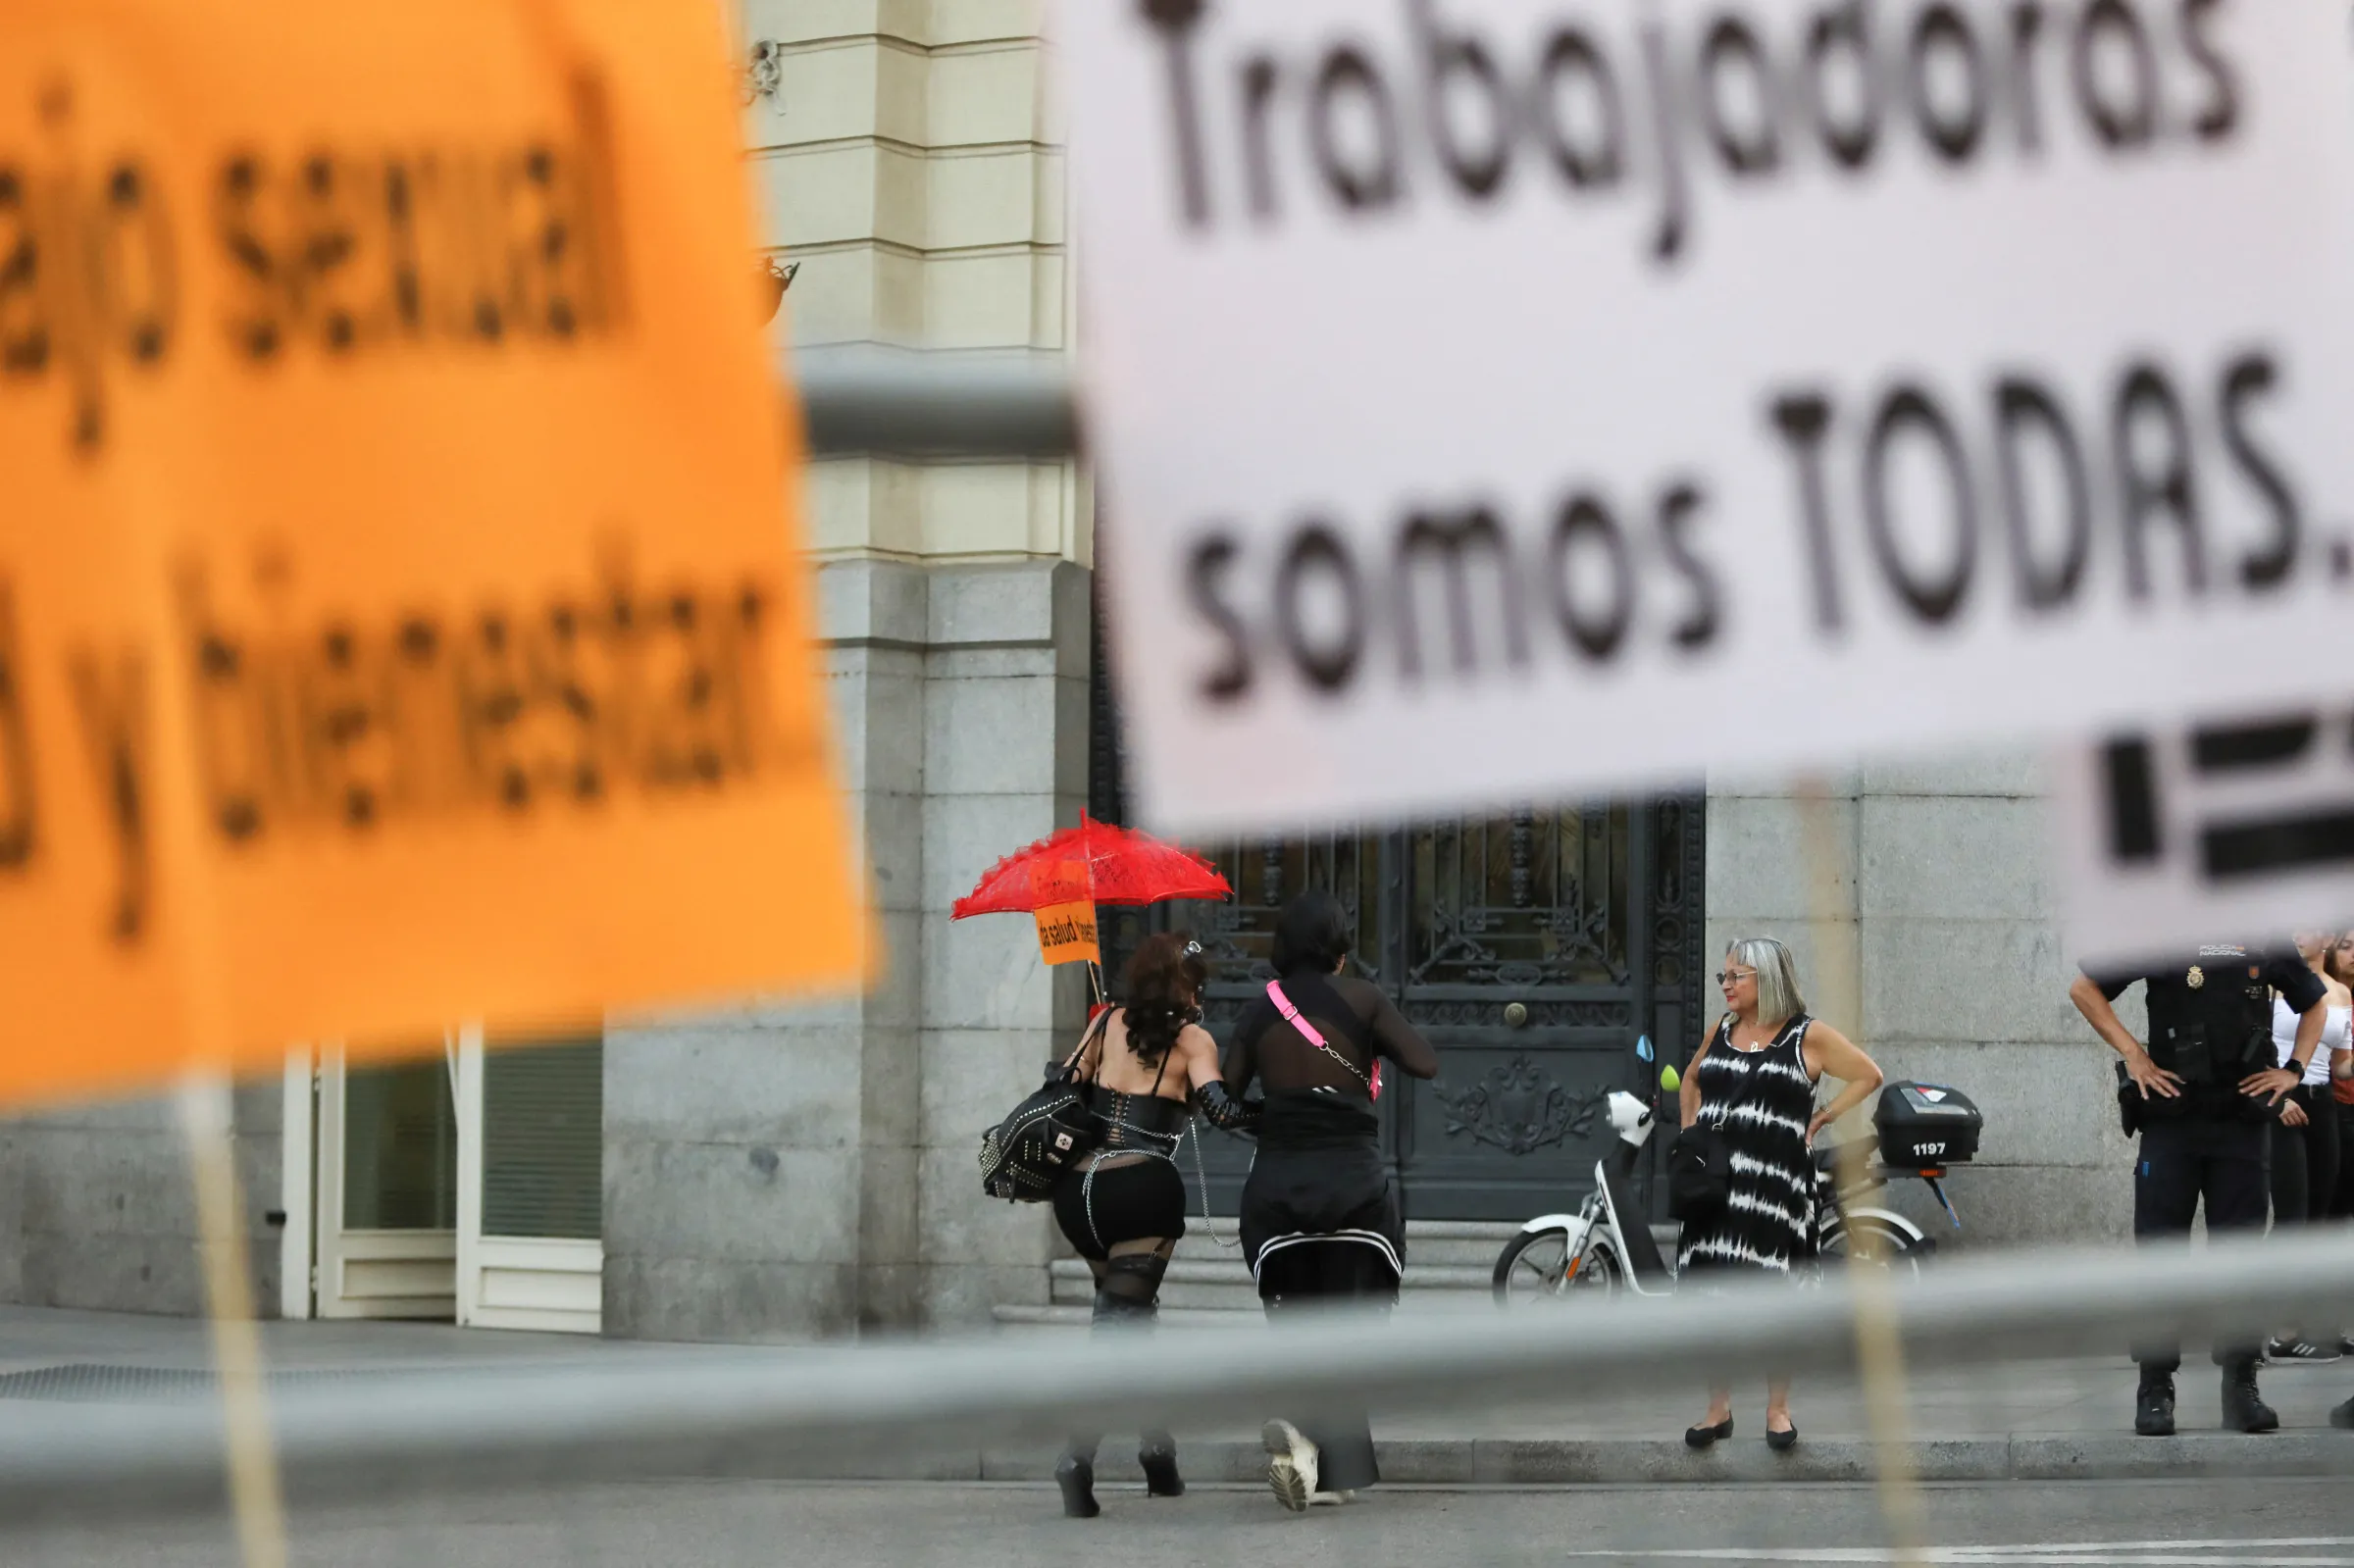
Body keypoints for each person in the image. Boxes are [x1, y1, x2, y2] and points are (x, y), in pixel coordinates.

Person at [1222, 889, 1438, 1511]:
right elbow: (1425, 1062)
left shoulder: (1261, 1010)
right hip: (1353, 1195)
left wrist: (1283, 1107)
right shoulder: (1365, 998)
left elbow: (1229, 1099)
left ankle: (1309, 1446)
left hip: (1279, 1194)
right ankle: (1319, 1451)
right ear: (1340, 949)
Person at [2069, 941, 2327, 1437]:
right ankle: (2156, 1388)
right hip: (2173, 1118)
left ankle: (2241, 1384)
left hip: (2242, 1122)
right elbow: (2085, 989)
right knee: (2162, 1252)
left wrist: (2293, 1070)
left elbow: (2314, 1002)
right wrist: (2135, 1056)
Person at [1049, 932, 1258, 1519]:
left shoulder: (1104, 1021)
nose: (1201, 996)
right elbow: (1222, 1110)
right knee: (1116, 1329)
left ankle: (1158, 1454)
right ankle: (1076, 1455)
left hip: (1078, 1193)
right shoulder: (1193, 1040)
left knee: (1126, 1317)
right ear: (1185, 985)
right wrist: (1283, 1111)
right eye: (1198, 984)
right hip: (1140, 1189)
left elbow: (1060, 1082)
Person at [1677, 936, 1884, 1453]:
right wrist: (1690, 1140)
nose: (1724, 984)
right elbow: (1690, 1080)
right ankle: (1717, 1408)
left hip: (1776, 1191)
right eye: (1722, 976)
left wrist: (1822, 1118)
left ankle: (1777, 1409)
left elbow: (1868, 1075)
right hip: (1717, 1193)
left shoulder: (1806, 1036)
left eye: (1735, 976)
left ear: (1766, 979)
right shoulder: (1721, 1031)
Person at [2263, 932, 2351, 1364]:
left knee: (2318, 1217)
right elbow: (2253, 1049)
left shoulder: (2340, 992)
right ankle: (2280, 1331)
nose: (2297, 932)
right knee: (2292, 1218)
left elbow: (2341, 1065)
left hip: (2323, 1104)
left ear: (2328, 938)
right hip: (2281, 1104)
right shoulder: (2268, 982)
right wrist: (2274, 1100)